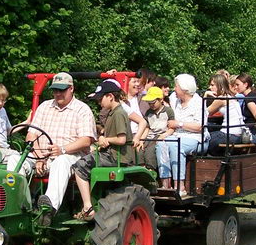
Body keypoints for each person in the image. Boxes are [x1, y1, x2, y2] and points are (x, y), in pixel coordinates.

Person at [27, 72, 97, 225]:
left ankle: (48, 208)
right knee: (15, 160)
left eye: (62, 90)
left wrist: (63, 149)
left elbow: (86, 140)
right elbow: (31, 135)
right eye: (55, 90)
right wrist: (38, 157)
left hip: (71, 156)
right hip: (41, 156)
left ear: (71, 88)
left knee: (61, 161)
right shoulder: (44, 107)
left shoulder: (82, 110)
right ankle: (20, 206)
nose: (57, 94)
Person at [72, 80, 134, 220]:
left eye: (101, 99)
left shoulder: (118, 113)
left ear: (110, 96)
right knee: (86, 158)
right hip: (111, 153)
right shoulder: (113, 113)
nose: (99, 102)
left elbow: (121, 140)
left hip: (116, 156)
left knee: (80, 167)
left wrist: (106, 140)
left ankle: (88, 207)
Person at [156, 74, 206, 194]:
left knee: (175, 146)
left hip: (195, 137)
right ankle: (165, 184)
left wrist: (179, 124)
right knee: (160, 144)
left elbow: (200, 126)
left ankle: (180, 185)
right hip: (176, 134)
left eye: (176, 86)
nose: (174, 89)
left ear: (184, 89)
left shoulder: (198, 103)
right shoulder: (175, 99)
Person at [134, 86, 175, 170]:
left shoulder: (168, 111)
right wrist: (141, 140)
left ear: (161, 100)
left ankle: (151, 169)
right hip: (150, 135)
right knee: (139, 149)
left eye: (153, 102)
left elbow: (172, 127)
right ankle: (141, 168)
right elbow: (147, 128)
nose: (151, 105)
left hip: (161, 135)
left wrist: (164, 135)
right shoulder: (149, 112)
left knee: (150, 151)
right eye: (149, 103)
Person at [205, 73, 245, 155]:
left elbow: (202, 113)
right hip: (238, 134)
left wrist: (205, 95)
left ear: (220, 85)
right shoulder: (230, 96)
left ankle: (203, 163)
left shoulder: (221, 99)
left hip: (229, 135)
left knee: (202, 140)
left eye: (212, 85)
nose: (209, 87)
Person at [233, 73, 256, 155]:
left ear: (245, 84)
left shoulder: (249, 100)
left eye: (237, 85)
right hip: (254, 130)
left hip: (255, 133)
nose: (235, 87)